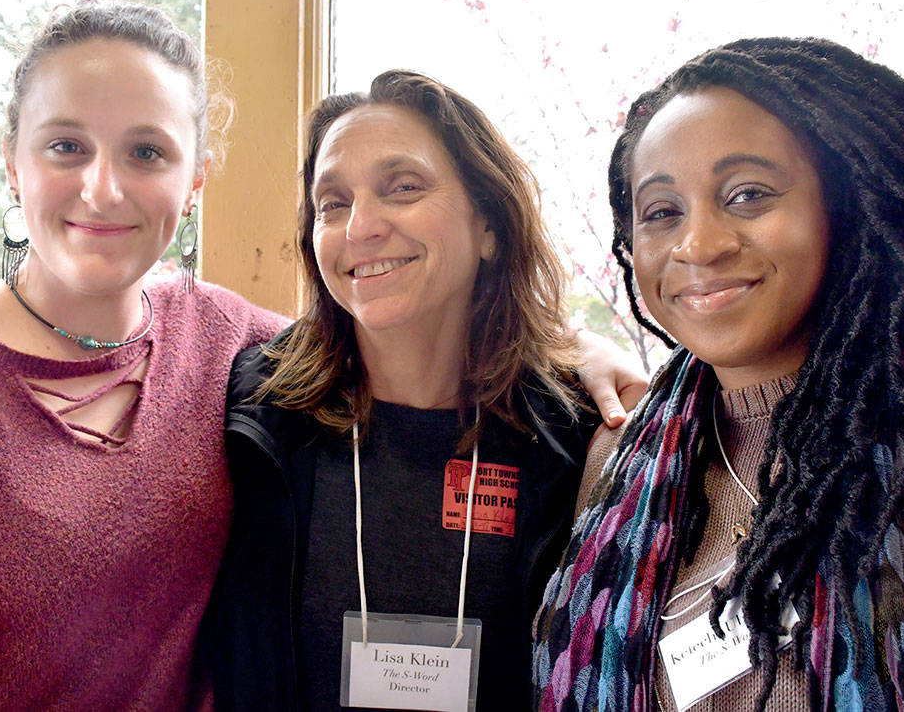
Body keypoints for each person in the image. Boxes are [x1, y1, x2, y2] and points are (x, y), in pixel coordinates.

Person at [533, 37, 904, 711]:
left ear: (848, 203)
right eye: (662, 212)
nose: (698, 243)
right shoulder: (616, 462)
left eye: (747, 194)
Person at [0, 0, 289, 708]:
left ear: (193, 184)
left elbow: (383, 360)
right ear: (13, 164)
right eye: (66, 146)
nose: (103, 188)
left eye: (147, 152)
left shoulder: (226, 335)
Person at [202, 70, 641, 710]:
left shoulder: (574, 436)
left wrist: (581, 350)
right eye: (333, 203)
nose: (360, 228)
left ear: (489, 225)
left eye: (402, 188)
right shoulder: (256, 413)